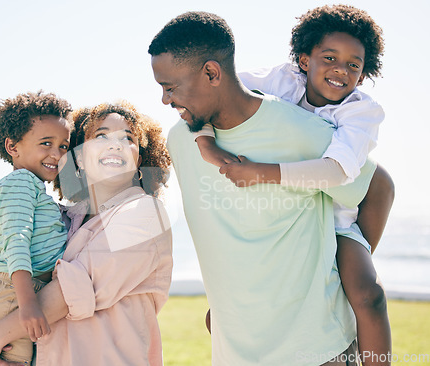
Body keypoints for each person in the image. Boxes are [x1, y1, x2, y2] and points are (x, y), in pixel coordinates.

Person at [149, 11, 391, 365]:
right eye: (329, 58)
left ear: (212, 73)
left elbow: (368, 181)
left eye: (171, 88)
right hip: (238, 351)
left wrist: (348, 254)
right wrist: (203, 139)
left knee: (367, 294)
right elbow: (233, 90)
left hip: (341, 215)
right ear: (305, 60)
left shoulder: (345, 119)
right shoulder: (187, 133)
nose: (166, 100)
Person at [0, 101, 173, 366]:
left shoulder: (145, 214)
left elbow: (70, 292)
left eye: (127, 138)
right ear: (79, 158)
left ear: (138, 158)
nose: (115, 144)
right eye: (102, 135)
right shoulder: (59, 219)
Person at [0, 91, 72, 364]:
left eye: (63, 146)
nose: (56, 154)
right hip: (14, 294)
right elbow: (16, 242)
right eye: (46, 143)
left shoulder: (33, 187)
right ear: (13, 147)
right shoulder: (20, 182)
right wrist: (28, 304)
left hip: (18, 292)